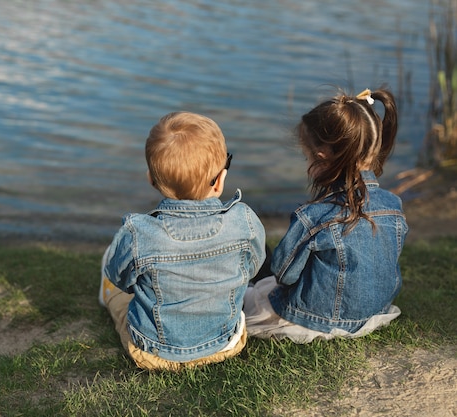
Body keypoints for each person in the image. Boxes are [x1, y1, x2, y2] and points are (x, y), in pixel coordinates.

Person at [99, 111, 266, 370]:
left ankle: (108, 299)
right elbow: (254, 266)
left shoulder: (139, 233)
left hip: (156, 353)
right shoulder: (243, 220)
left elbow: (120, 277)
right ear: (220, 181)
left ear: (151, 179)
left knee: (119, 293)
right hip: (226, 343)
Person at [243, 88, 408, 343]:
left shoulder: (314, 216)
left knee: (251, 292)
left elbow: (283, 275)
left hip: (315, 319)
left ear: (321, 158)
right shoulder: (393, 205)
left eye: (307, 155)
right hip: (373, 313)